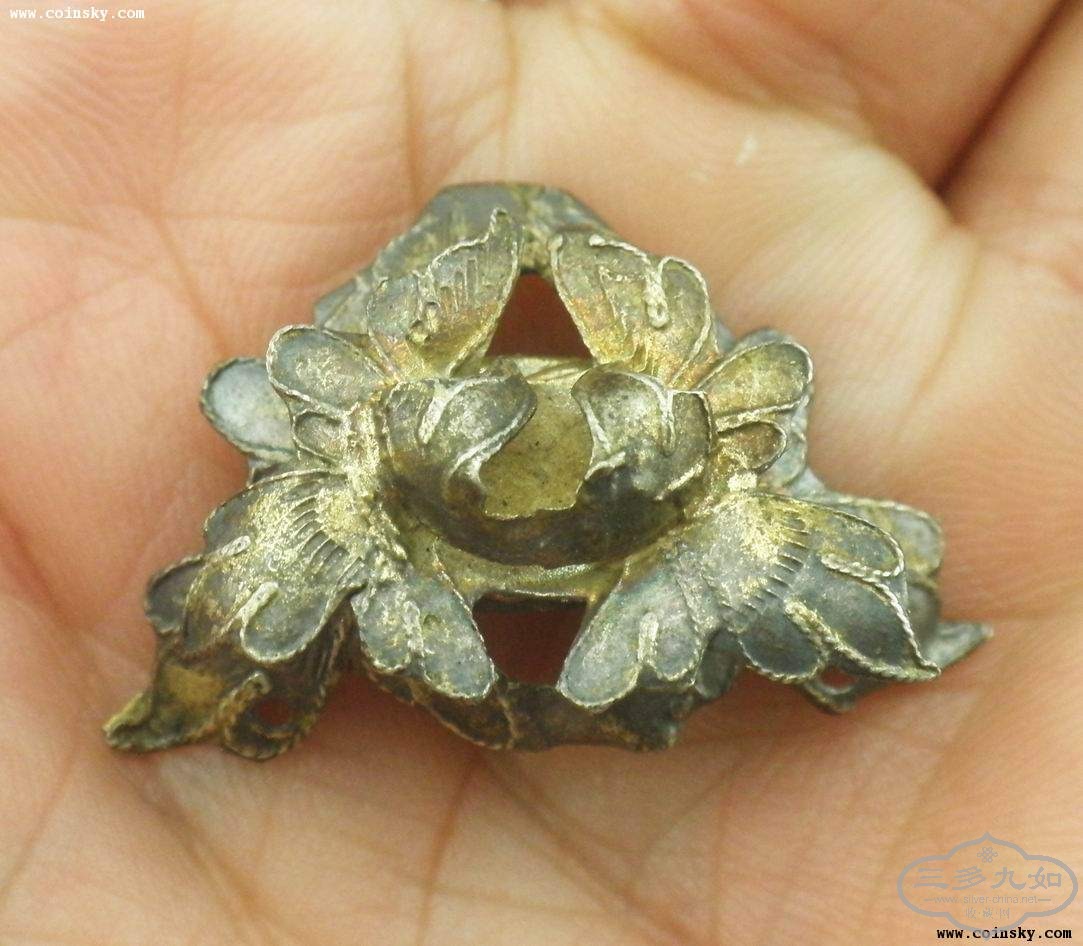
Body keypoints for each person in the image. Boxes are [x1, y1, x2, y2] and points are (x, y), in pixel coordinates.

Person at [0, 1, 1080, 942]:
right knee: (273, 589)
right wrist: (179, 704)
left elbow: (836, 591)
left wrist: (912, 632)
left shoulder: (729, 516)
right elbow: (248, 608)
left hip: (660, 510)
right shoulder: (340, 494)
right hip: (404, 483)